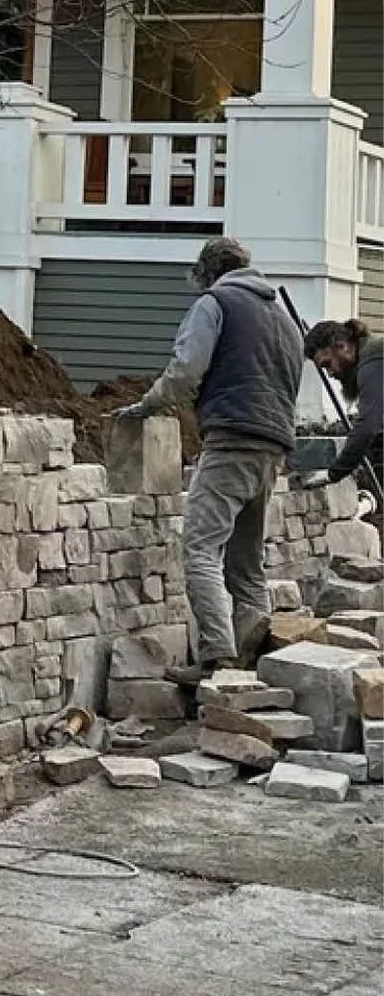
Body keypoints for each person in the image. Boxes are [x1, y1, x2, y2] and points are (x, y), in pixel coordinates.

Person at [112, 236, 302, 678]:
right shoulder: (285, 318)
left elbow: (186, 370)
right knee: (247, 558)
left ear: (207, 273)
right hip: (273, 445)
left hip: (232, 438)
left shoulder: (216, 303)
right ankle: (253, 656)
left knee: (200, 548)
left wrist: (146, 406)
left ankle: (218, 656)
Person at [303, 318, 382, 489]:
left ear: (342, 346)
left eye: (327, 364)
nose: (330, 374)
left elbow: (368, 426)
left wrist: (334, 473)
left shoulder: (373, 359)